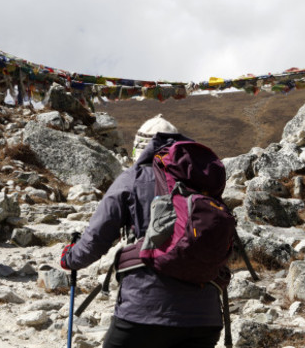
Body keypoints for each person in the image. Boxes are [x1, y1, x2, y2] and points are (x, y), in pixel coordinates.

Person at [60, 116, 223, 348]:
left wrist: (70, 258)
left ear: (140, 146)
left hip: (144, 311)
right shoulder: (202, 182)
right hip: (205, 317)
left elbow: (95, 241)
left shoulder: (132, 179)